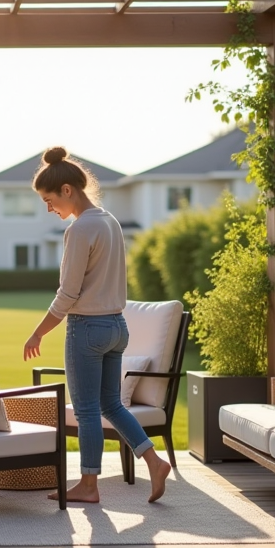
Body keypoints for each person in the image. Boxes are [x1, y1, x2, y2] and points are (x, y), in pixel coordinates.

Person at [22, 146, 171, 504]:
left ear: (67, 190)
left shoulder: (79, 229)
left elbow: (68, 293)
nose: (49, 208)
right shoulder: (110, 221)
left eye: (49, 199)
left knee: (87, 409)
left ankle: (89, 486)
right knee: (112, 405)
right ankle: (154, 460)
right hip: (117, 327)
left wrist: (38, 331)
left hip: (87, 330)